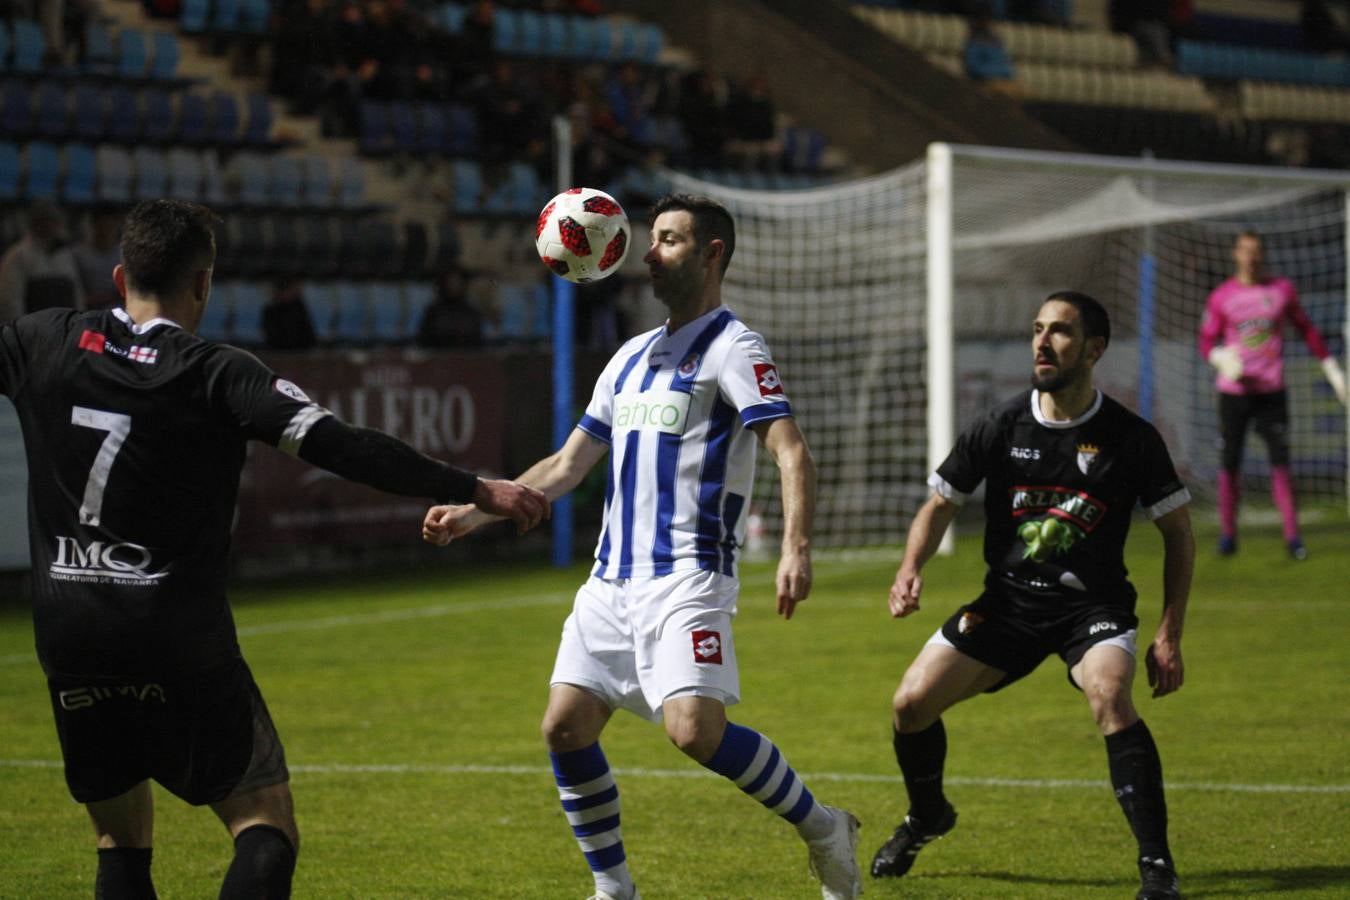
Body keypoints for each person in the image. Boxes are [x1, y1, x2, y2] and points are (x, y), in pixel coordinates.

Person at [0, 199, 548, 899]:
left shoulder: (41, 340)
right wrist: (476, 487)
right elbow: (346, 448)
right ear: (203, 283)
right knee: (264, 825)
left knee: (119, 841)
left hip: (69, 630)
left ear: (117, 276)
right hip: (175, 635)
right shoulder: (218, 373)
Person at [422, 193, 863, 900]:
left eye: (668, 240)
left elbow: (791, 453)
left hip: (688, 577)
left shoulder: (735, 348)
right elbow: (566, 465)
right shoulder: (629, 358)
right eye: (649, 240)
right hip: (610, 583)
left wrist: (795, 547)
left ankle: (823, 828)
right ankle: (614, 888)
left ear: (712, 252)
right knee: (564, 728)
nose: (647, 254)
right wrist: (478, 510)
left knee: (693, 731)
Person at [869, 292, 1195, 900]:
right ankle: (927, 816)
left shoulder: (1130, 437)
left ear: (1094, 349)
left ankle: (1157, 869)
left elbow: (1179, 535)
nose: (1043, 342)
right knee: (910, 705)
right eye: (1038, 329)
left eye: (1062, 332)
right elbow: (939, 504)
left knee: (1109, 696)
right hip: (1010, 606)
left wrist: (1169, 632)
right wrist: (909, 567)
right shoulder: (1001, 423)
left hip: (1092, 611)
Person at [1198, 230, 1347, 560]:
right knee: (1230, 463)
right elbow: (1206, 341)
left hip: (1271, 391)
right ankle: (1228, 536)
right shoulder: (1222, 297)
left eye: (1256, 251)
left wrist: (1332, 369)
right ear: (1235, 254)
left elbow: (1306, 329)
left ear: (1262, 254)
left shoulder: (1281, 291)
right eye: (1245, 251)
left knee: (1280, 462)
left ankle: (1293, 538)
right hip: (1234, 394)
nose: (1251, 257)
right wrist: (1220, 357)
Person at [0, 198, 84, 319]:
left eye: (52, 221)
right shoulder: (18, 256)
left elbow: (77, 294)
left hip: (64, 330)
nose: (48, 225)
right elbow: (11, 302)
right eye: (43, 220)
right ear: (34, 223)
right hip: (34, 330)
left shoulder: (65, 255)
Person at [262, 277, 318, 350]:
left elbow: (309, 337)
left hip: (301, 351)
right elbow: (272, 337)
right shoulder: (270, 311)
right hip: (278, 351)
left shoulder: (299, 308)